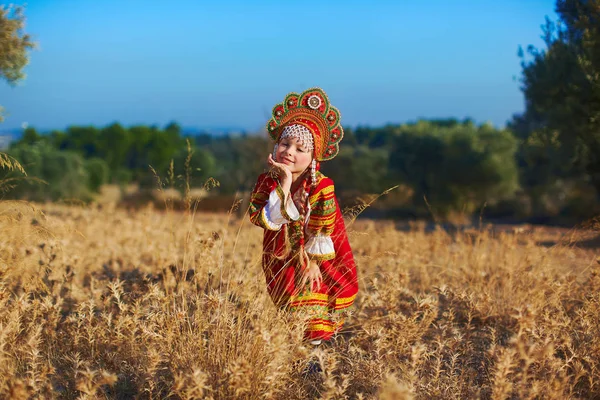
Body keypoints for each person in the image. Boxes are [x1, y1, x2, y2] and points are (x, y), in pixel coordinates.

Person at [249, 87, 359, 346]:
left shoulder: (322, 186)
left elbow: (323, 231)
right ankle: (304, 351)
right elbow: (265, 219)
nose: (289, 152)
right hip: (279, 253)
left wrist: (313, 263)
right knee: (290, 304)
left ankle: (314, 356)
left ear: (312, 158)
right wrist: (285, 182)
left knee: (312, 298)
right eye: (285, 144)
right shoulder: (268, 181)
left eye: (300, 148)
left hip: (320, 257)